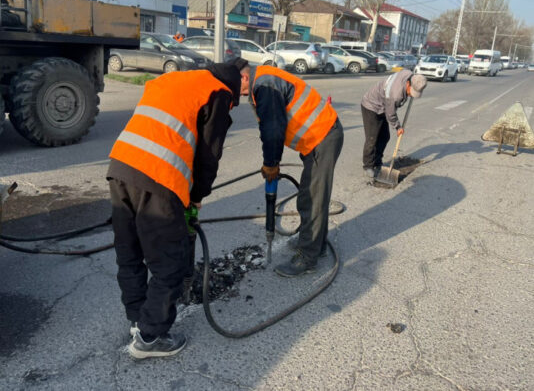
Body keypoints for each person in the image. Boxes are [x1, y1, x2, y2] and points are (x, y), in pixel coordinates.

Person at [106, 62, 242, 359]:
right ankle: (150, 338)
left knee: (129, 251)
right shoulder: (217, 92)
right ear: (230, 89)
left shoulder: (173, 79)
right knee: (170, 261)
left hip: (120, 166)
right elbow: (208, 155)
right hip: (158, 177)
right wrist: (196, 198)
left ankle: (137, 319)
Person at [237, 59, 344, 277]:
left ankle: (308, 257)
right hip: (317, 138)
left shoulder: (265, 84)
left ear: (244, 77)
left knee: (313, 199)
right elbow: (268, 125)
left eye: (233, 85)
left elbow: (273, 130)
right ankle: (316, 245)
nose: (233, 92)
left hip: (322, 137)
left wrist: (271, 164)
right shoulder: (263, 79)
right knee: (310, 196)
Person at [360, 69, 427, 178]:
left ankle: (377, 162)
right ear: (408, 83)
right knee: (372, 138)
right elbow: (390, 114)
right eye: (412, 91)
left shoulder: (409, 75)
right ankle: (368, 166)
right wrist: (398, 127)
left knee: (384, 137)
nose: (411, 95)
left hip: (382, 106)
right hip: (371, 106)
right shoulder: (395, 94)